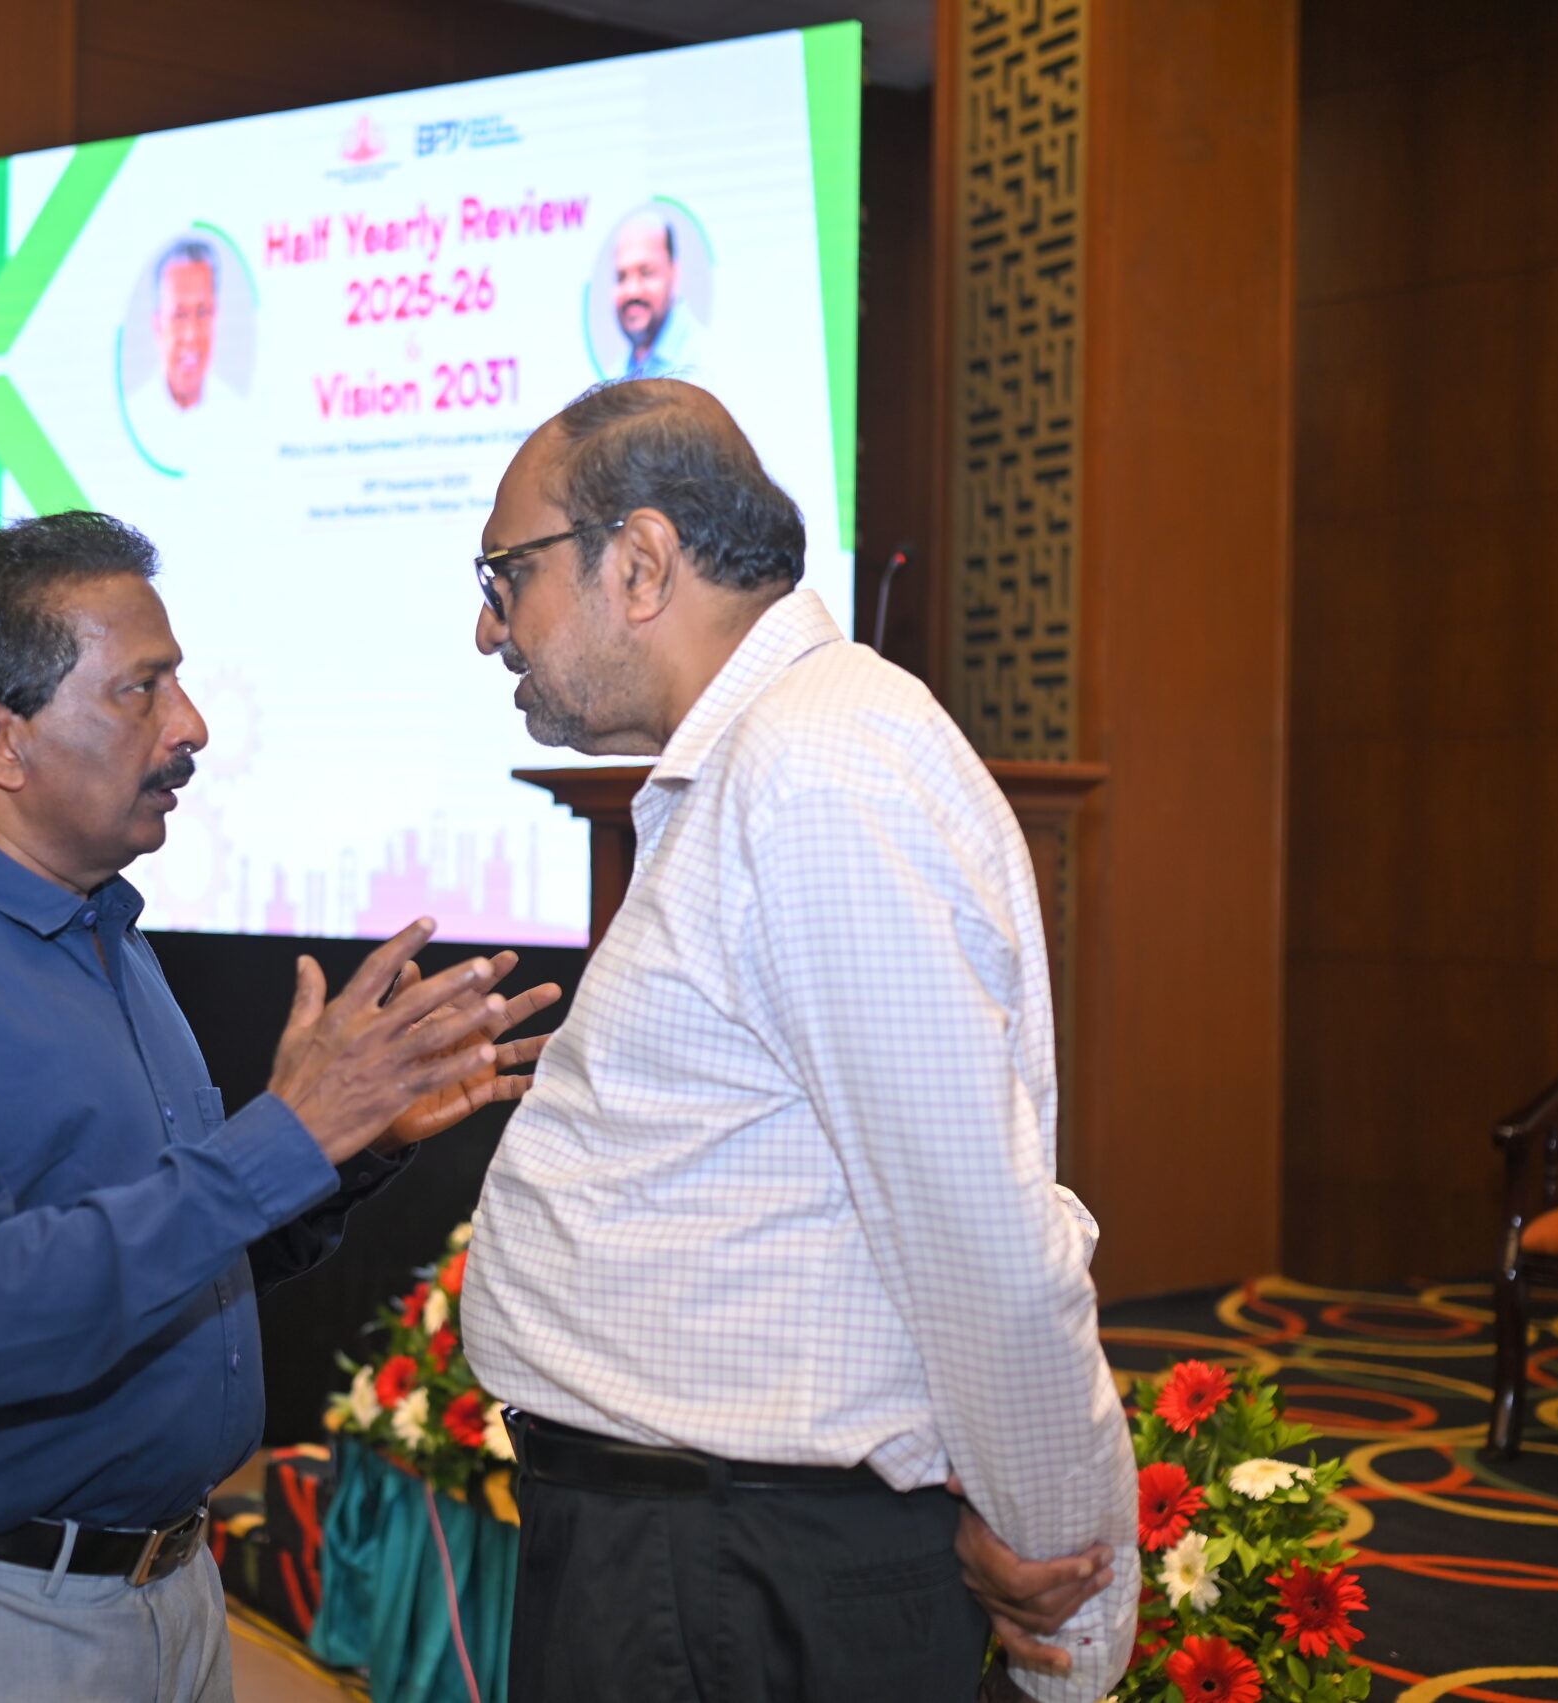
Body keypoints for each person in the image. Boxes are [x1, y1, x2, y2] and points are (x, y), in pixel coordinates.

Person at [0, 511, 559, 1703]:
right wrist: (280, 1137)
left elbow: (172, 1253)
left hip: (165, 1588)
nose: (191, 726)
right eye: (143, 688)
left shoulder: (105, 936)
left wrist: (348, 1143)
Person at [458, 380, 1136, 1702]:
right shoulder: (779, 756)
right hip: (708, 1554)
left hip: (736, 1577)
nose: (490, 626)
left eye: (508, 574)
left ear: (639, 561)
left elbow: (969, 1218)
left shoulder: (816, 771)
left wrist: (1055, 1555)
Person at [125, 240, 227, 471]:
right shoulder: (136, 416)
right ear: (158, 325)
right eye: (179, 316)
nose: (191, 334)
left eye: (203, 313)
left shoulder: (238, 415)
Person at [608, 210, 703, 380]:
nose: (632, 291)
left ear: (674, 273)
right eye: (622, 277)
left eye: (646, 273)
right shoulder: (616, 375)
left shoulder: (703, 365)